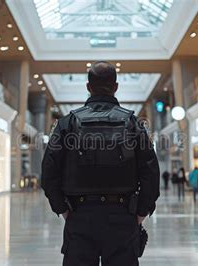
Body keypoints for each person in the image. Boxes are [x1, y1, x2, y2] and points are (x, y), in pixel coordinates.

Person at [41, 61, 160, 266]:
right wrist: (141, 212)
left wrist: (63, 209)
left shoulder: (67, 123)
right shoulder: (133, 124)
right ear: (115, 87)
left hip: (79, 215)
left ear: (88, 87)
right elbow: (151, 173)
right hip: (123, 216)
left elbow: (49, 172)